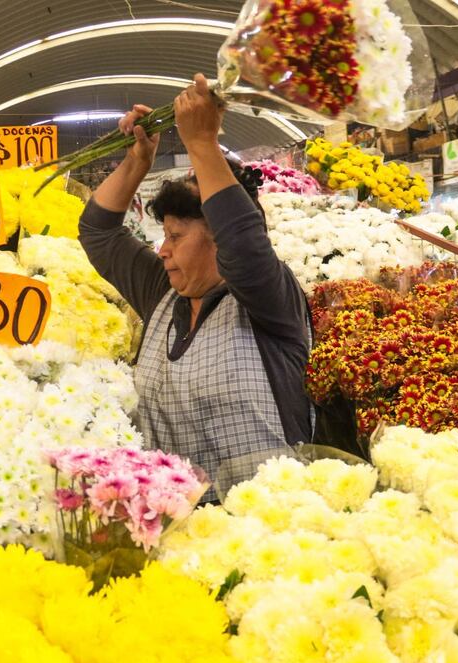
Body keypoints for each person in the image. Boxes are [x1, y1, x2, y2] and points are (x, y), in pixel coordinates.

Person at [78, 73, 313, 500]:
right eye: (163, 234)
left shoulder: (268, 299)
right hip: (171, 519)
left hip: (270, 521)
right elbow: (99, 232)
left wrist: (203, 143)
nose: (162, 250)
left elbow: (244, 242)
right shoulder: (161, 293)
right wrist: (137, 160)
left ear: (217, 238)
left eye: (177, 236)